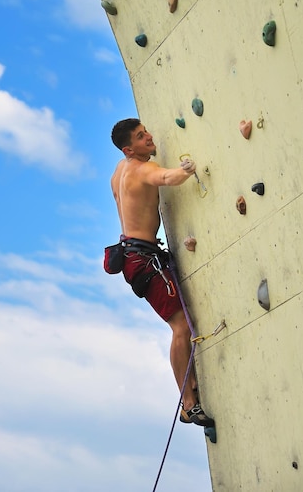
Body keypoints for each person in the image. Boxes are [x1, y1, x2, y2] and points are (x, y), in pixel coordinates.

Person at [110, 118, 214, 426]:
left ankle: (190, 383)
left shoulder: (120, 170)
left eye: (146, 132)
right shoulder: (142, 170)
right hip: (143, 260)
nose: (149, 138)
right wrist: (186, 169)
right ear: (130, 148)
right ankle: (189, 404)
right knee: (181, 328)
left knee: (182, 325)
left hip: (135, 256)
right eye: (142, 137)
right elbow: (167, 178)